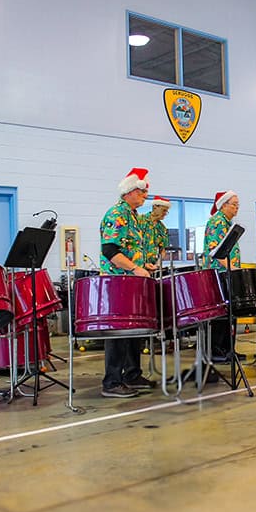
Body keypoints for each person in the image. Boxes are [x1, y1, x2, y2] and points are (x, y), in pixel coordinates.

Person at [98, 167, 158, 398]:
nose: (145, 196)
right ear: (129, 192)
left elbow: (130, 249)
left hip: (132, 280)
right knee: (119, 333)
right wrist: (135, 267)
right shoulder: (116, 214)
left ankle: (132, 374)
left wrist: (144, 265)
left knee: (135, 330)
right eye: (141, 192)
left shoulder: (133, 216)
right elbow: (110, 250)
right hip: (118, 282)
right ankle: (112, 382)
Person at [203, 190, 243, 362]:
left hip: (227, 272)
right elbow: (215, 251)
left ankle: (228, 349)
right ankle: (218, 350)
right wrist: (230, 268)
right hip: (219, 273)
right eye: (234, 204)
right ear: (223, 205)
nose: (236, 208)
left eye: (238, 205)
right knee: (221, 314)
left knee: (230, 313)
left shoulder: (228, 223)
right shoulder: (217, 222)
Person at [143, 195, 171, 268]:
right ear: (155, 207)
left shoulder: (162, 228)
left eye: (167, 211)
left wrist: (157, 264)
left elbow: (163, 250)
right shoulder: (140, 221)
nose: (165, 213)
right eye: (164, 210)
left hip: (152, 267)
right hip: (137, 267)